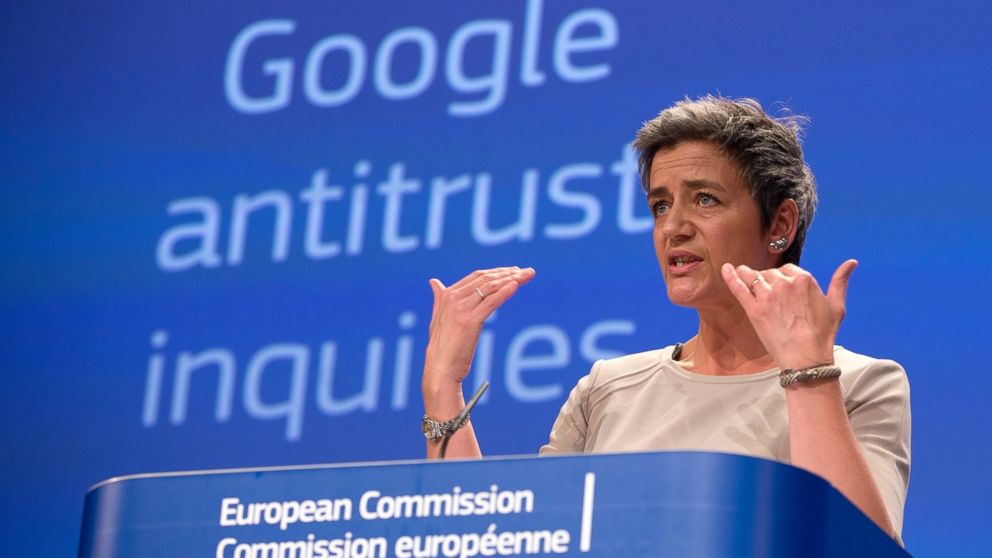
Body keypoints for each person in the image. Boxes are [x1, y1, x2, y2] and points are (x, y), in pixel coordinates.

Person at [419, 96, 910, 543]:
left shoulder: (861, 384)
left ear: (780, 223)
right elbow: (501, 544)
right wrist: (444, 388)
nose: (673, 227)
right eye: (660, 205)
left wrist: (808, 373)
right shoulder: (607, 389)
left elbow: (860, 547)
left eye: (705, 199)